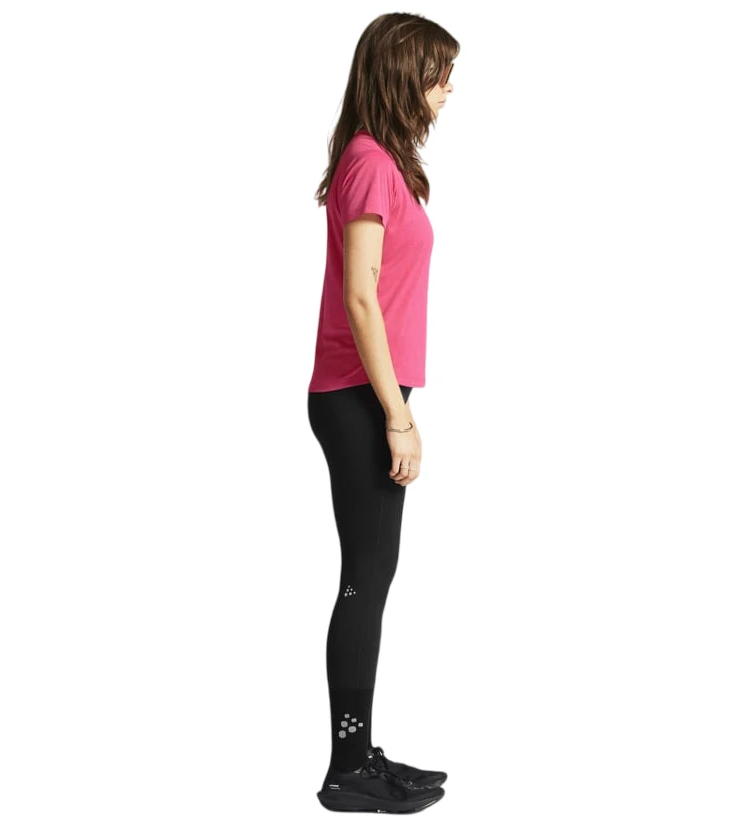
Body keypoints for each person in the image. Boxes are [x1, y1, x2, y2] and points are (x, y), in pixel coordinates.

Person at [306, 11, 459, 816]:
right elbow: (361, 297)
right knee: (364, 581)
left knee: (373, 576)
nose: (448, 89)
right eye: (438, 74)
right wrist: (397, 414)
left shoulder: (379, 162)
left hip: (372, 392)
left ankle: (361, 754)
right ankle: (346, 770)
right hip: (360, 396)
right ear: (405, 76)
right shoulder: (369, 162)